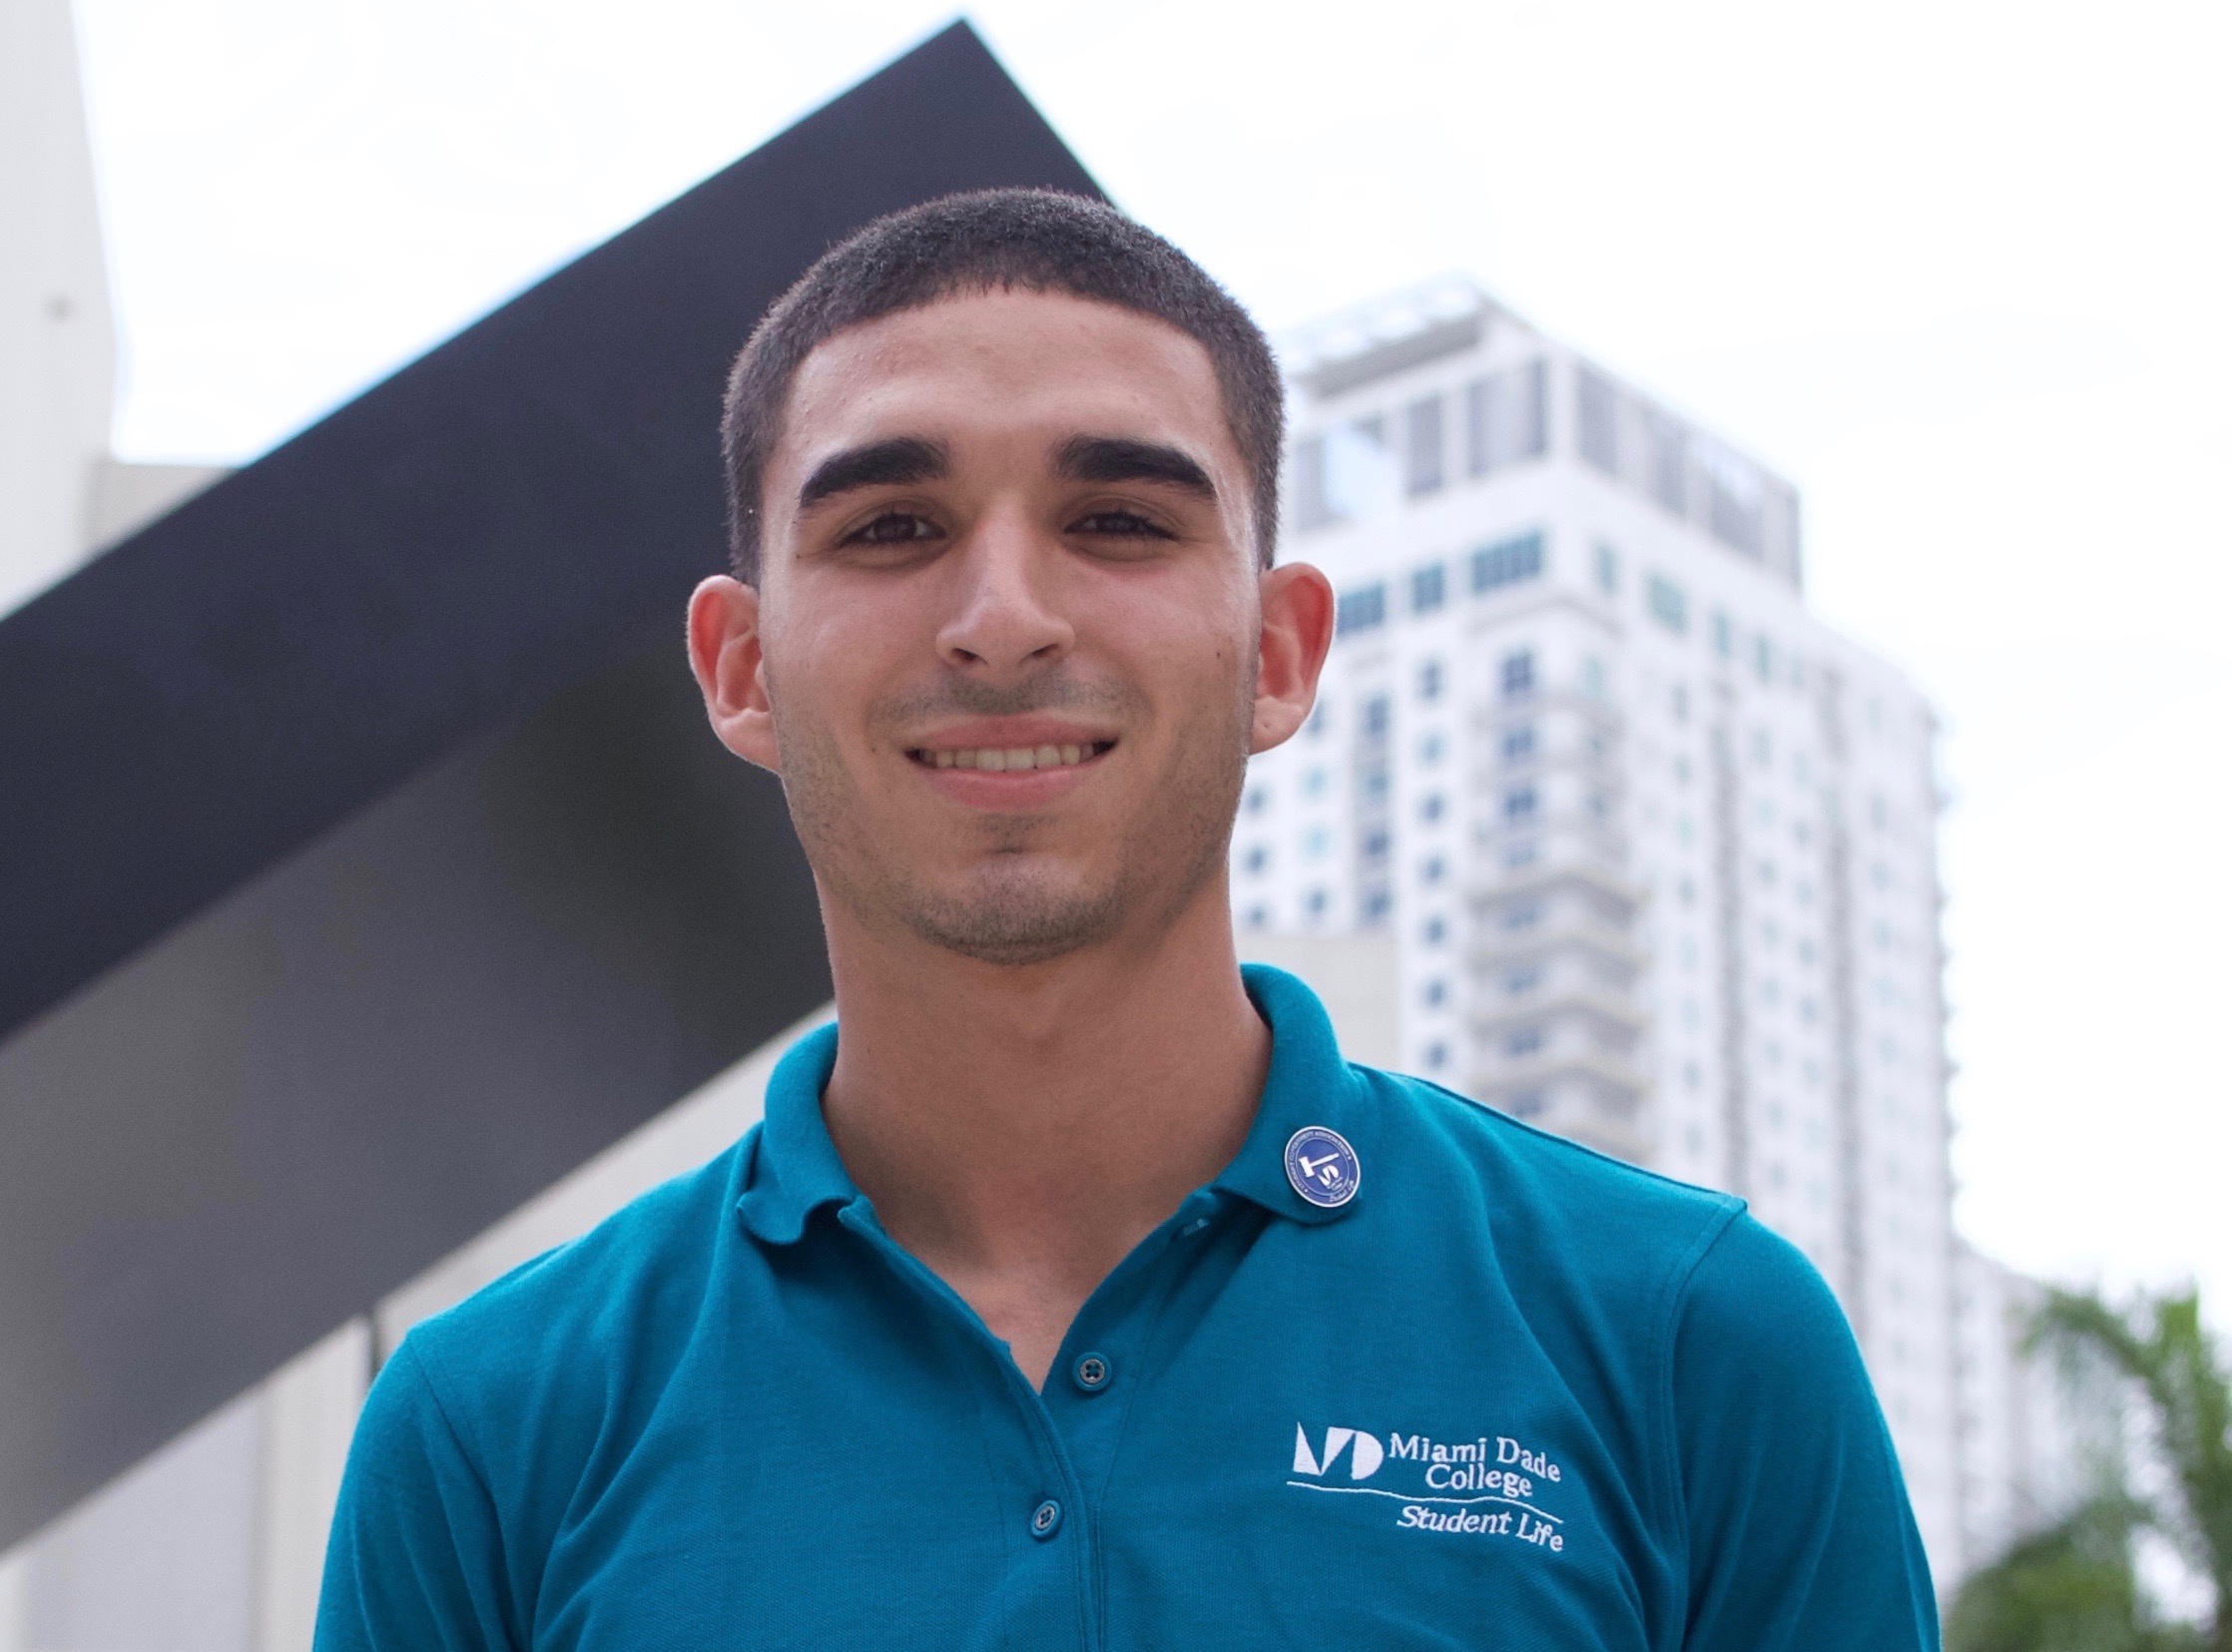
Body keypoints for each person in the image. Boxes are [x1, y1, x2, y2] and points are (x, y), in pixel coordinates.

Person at [315, 189, 1939, 1649]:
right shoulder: (488, 1434)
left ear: (1279, 652)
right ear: (742, 668)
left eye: (1120, 522)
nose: (1005, 618)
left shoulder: (1687, 1341)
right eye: (890, 526)